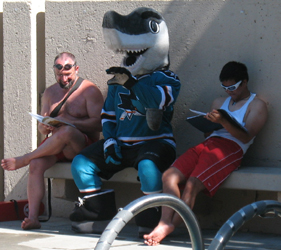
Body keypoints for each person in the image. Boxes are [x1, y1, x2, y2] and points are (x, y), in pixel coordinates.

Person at [69, 7, 181, 235]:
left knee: (148, 168)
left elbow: (157, 100)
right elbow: (108, 116)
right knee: (81, 164)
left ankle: (152, 220)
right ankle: (97, 215)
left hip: (155, 143)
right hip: (121, 144)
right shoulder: (116, 81)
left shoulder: (168, 78)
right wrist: (109, 140)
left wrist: (130, 83)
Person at [143, 61, 268, 246]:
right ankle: (164, 221)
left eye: (233, 87)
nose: (229, 91)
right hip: (209, 144)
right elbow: (209, 133)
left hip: (230, 149)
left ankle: (170, 226)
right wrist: (208, 124)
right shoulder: (219, 102)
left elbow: (246, 136)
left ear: (245, 82)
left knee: (192, 184)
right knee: (169, 175)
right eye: (224, 87)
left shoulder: (257, 105)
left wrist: (224, 121)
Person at [1, 52, 104, 230]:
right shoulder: (50, 93)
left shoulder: (89, 90)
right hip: (58, 147)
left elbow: (99, 124)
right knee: (35, 164)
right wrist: (45, 127)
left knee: (66, 132)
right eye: (59, 76)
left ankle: (24, 158)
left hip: (82, 145)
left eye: (67, 75)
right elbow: (42, 129)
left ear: (76, 69)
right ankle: (33, 217)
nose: (63, 79)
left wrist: (70, 123)